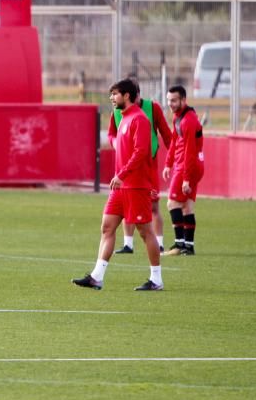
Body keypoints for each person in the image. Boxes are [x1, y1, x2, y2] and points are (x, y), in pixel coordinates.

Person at [74, 79, 163, 291]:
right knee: (107, 227)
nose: (111, 98)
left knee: (145, 232)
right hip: (120, 187)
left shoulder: (140, 120)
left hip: (135, 186)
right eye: (111, 94)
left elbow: (142, 152)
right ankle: (97, 277)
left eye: (115, 94)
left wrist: (122, 174)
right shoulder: (123, 119)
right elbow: (120, 145)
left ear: (127, 95)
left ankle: (156, 279)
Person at [108, 82, 171, 255]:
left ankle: (159, 243)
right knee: (120, 209)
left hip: (147, 165)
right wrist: (116, 144)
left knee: (154, 205)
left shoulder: (150, 109)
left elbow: (166, 134)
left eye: (115, 94)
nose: (112, 98)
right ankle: (128, 244)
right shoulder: (118, 111)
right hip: (124, 167)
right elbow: (111, 133)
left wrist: (172, 161)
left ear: (133, 95)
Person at [162, 85, 204, 256]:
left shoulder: (188, 120)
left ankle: (179, 245)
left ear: (183, 100)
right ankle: (189, 246)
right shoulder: (179, 117)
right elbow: (174, 141)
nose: (170, 104)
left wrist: (186, 178)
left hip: (188, 165)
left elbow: (189, 151)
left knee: (172, 203)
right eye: (169, 100)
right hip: (188, 165)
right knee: (187, 207)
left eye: (174, 100)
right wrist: (167, 163)